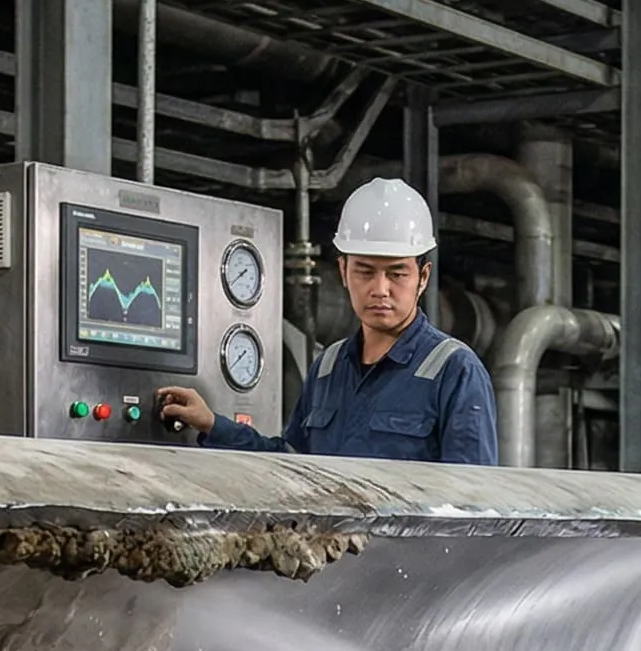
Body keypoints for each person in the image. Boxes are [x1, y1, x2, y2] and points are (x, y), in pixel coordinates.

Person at [156, 178, 497, 465]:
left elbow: (474, 502)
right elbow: (292, 465)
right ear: (343, 271)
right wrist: (212, 424)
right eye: (365, 271)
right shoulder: (328, 368)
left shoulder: (455, 371)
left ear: (423, 277)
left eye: (396, 274)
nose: (380, 289)